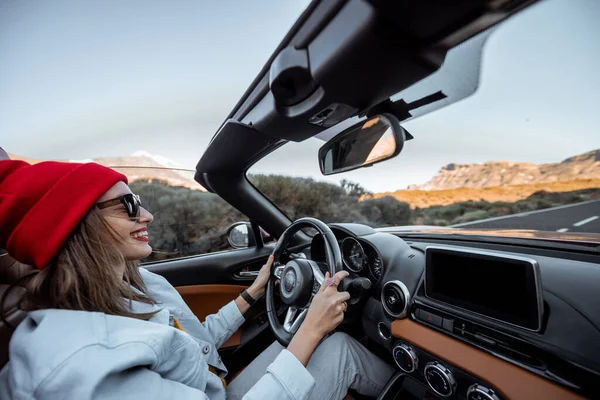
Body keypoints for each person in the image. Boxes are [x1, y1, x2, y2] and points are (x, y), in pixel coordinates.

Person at [0, 159, 394, 399]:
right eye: (128, 205)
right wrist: (309, 329)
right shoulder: (78, 363)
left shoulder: (141, 283)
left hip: (213, 390)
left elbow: (195, 343)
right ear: (75, 225)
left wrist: (255, 291)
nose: (147, 216)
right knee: (336, 345)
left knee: (332, 339)